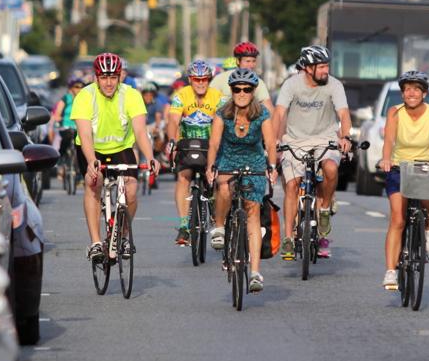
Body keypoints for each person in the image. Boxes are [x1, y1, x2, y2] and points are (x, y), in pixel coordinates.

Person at [71, 53, 159, 263]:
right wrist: (92, 161)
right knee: (94, 184)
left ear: (120, 77)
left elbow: (140, 131)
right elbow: (84, 135)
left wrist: (151, 156)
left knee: (130, 190)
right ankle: (95, 242)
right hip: (91, 148)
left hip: (121, 147)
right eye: (104, 78)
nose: (109, 83)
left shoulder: (131, 95)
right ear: (96, 78)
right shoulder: (85, 95)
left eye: (113, 77)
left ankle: (124, 237)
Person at [379, 70, 429, 291]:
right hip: (399, 166)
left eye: (416, 89)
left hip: (426, 165)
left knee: (425, 200)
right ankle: (391, 271)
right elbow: (389, 139)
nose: (411, 93)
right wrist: (386, 159)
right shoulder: (395, 112)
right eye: (407, 89)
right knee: (397, 218)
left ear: (424, 93)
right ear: (403, 93)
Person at [273, 45, 351, 260]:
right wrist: (273, 141)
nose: (326, 70)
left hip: (325, 138)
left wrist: (344, 137)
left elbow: (343, 113)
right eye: (322, 66)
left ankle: (324, 208)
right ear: (308, 68)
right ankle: (288, 238)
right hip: (295, 140)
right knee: (291, 185)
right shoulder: (291, 85)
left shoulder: (334, 85)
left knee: (331, 168)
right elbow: (279, 113)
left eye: (327, 66)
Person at [206, 69, 277, 293]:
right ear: (232, 91)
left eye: (247, 89)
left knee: (252, 212)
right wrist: (211, 167)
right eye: (237, 89)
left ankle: (255, 272)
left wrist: (272, 167)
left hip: (254, 163)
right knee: (224, 187)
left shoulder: (262, 114)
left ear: (253, 91)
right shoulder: (222, 114)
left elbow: (271, 143)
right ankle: (219, 227)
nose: (242, 93)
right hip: (228, 160)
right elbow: (214, 144)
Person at [166, 60, 224, 246]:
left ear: (209, 79)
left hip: (211, 145)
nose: (200, 83)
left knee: (215, 179)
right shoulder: (180, 96)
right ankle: (184, 225)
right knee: (183, 176)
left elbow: (223, 122)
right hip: (187, 144)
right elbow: (174, 121)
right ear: (190, 79)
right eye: (197, 79)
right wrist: (172, 142)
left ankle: (217, 216)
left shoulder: (218, 97)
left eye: (204, 79)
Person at [210, 41, 273, 112]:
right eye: (248, 61)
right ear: (238, 61)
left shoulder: (259, 82)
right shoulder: (221, 78)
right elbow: (208, 99)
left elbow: (269, 109)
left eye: (254, 61)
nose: (251, 65)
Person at [49, 76, 84, 175]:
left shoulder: (85, 99)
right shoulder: (66, 99)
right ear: (71, 88)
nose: (79, 89)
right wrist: (60, 119)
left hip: (79, 127)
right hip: (66, 126)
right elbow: (57, 114)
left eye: (81, 87)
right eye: (76, 87)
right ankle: (61, 159)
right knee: (65, 140)